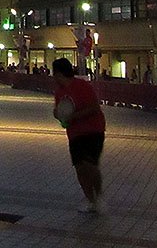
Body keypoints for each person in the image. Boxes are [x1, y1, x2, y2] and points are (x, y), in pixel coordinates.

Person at [52, 57, 106, 214]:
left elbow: (94, 107)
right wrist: (58, 115)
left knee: (90, 164)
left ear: (59, 73)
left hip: (93, 130)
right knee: (80, 168)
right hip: (74, 134)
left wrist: (74, 116)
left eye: (54, 73)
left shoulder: (82, 86)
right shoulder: (59, 92)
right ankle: (91, 200)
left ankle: (99, 196)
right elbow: (59, 111)